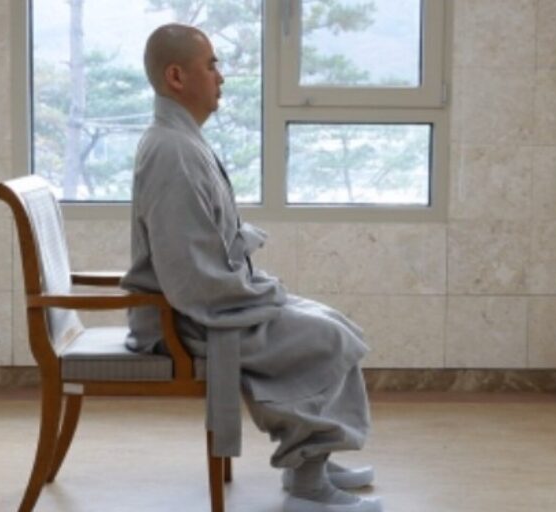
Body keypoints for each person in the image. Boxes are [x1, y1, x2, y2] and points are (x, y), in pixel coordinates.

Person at [120, 23, 383, 512]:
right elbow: (191, 279)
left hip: (205, 301)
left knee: (330, 322)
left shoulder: (180, 140)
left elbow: (198, 249)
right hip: (188, 320)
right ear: (177, 76)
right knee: (327, 339)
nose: (221, 75)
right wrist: (261, 294)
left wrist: (250, 266)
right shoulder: (172, 151)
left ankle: (315, 459)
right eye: (212, 64)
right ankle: (306, 482)